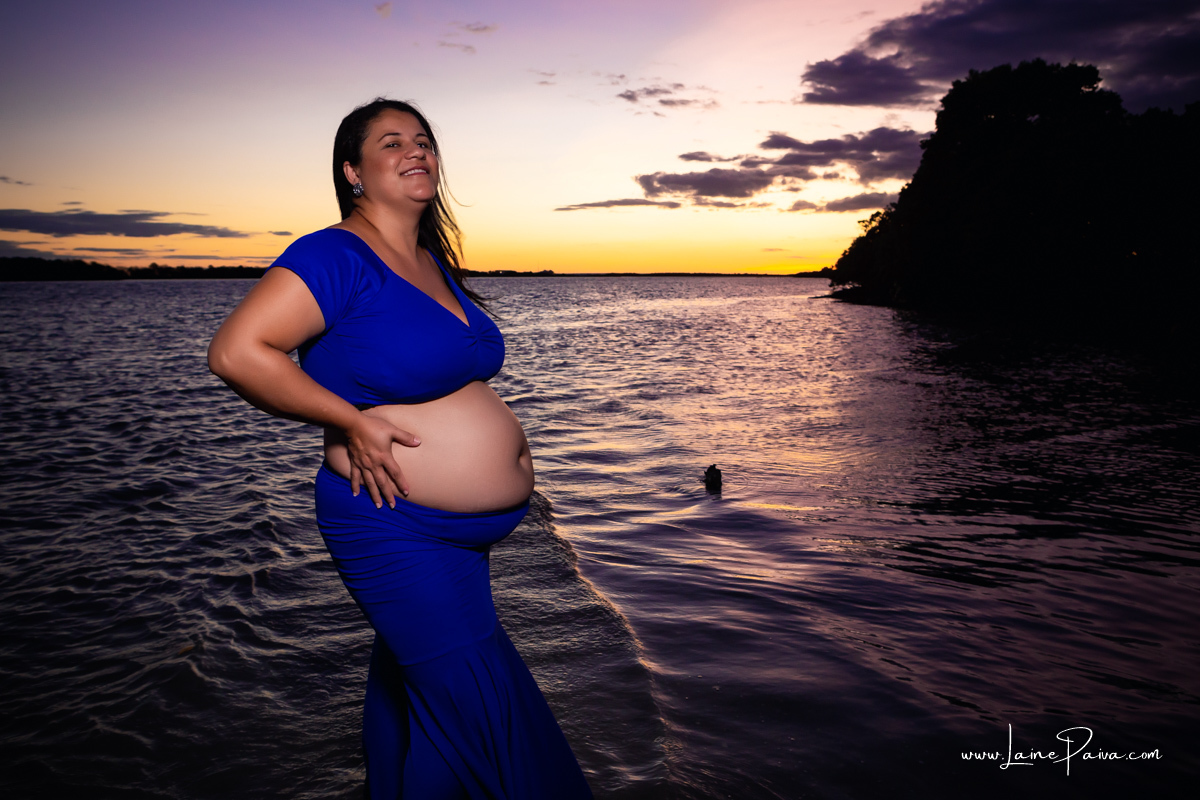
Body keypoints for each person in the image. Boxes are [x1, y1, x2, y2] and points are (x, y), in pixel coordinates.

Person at [208, 98, 592, 799]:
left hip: (456, 538)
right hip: (392, 523)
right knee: (480, 708)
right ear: (353, 171)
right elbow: (238, 352)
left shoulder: (428, 260)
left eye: (423, 140)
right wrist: (349, 421)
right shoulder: (333, 255)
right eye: (392, 143)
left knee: (422, 709)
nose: (416, 151)